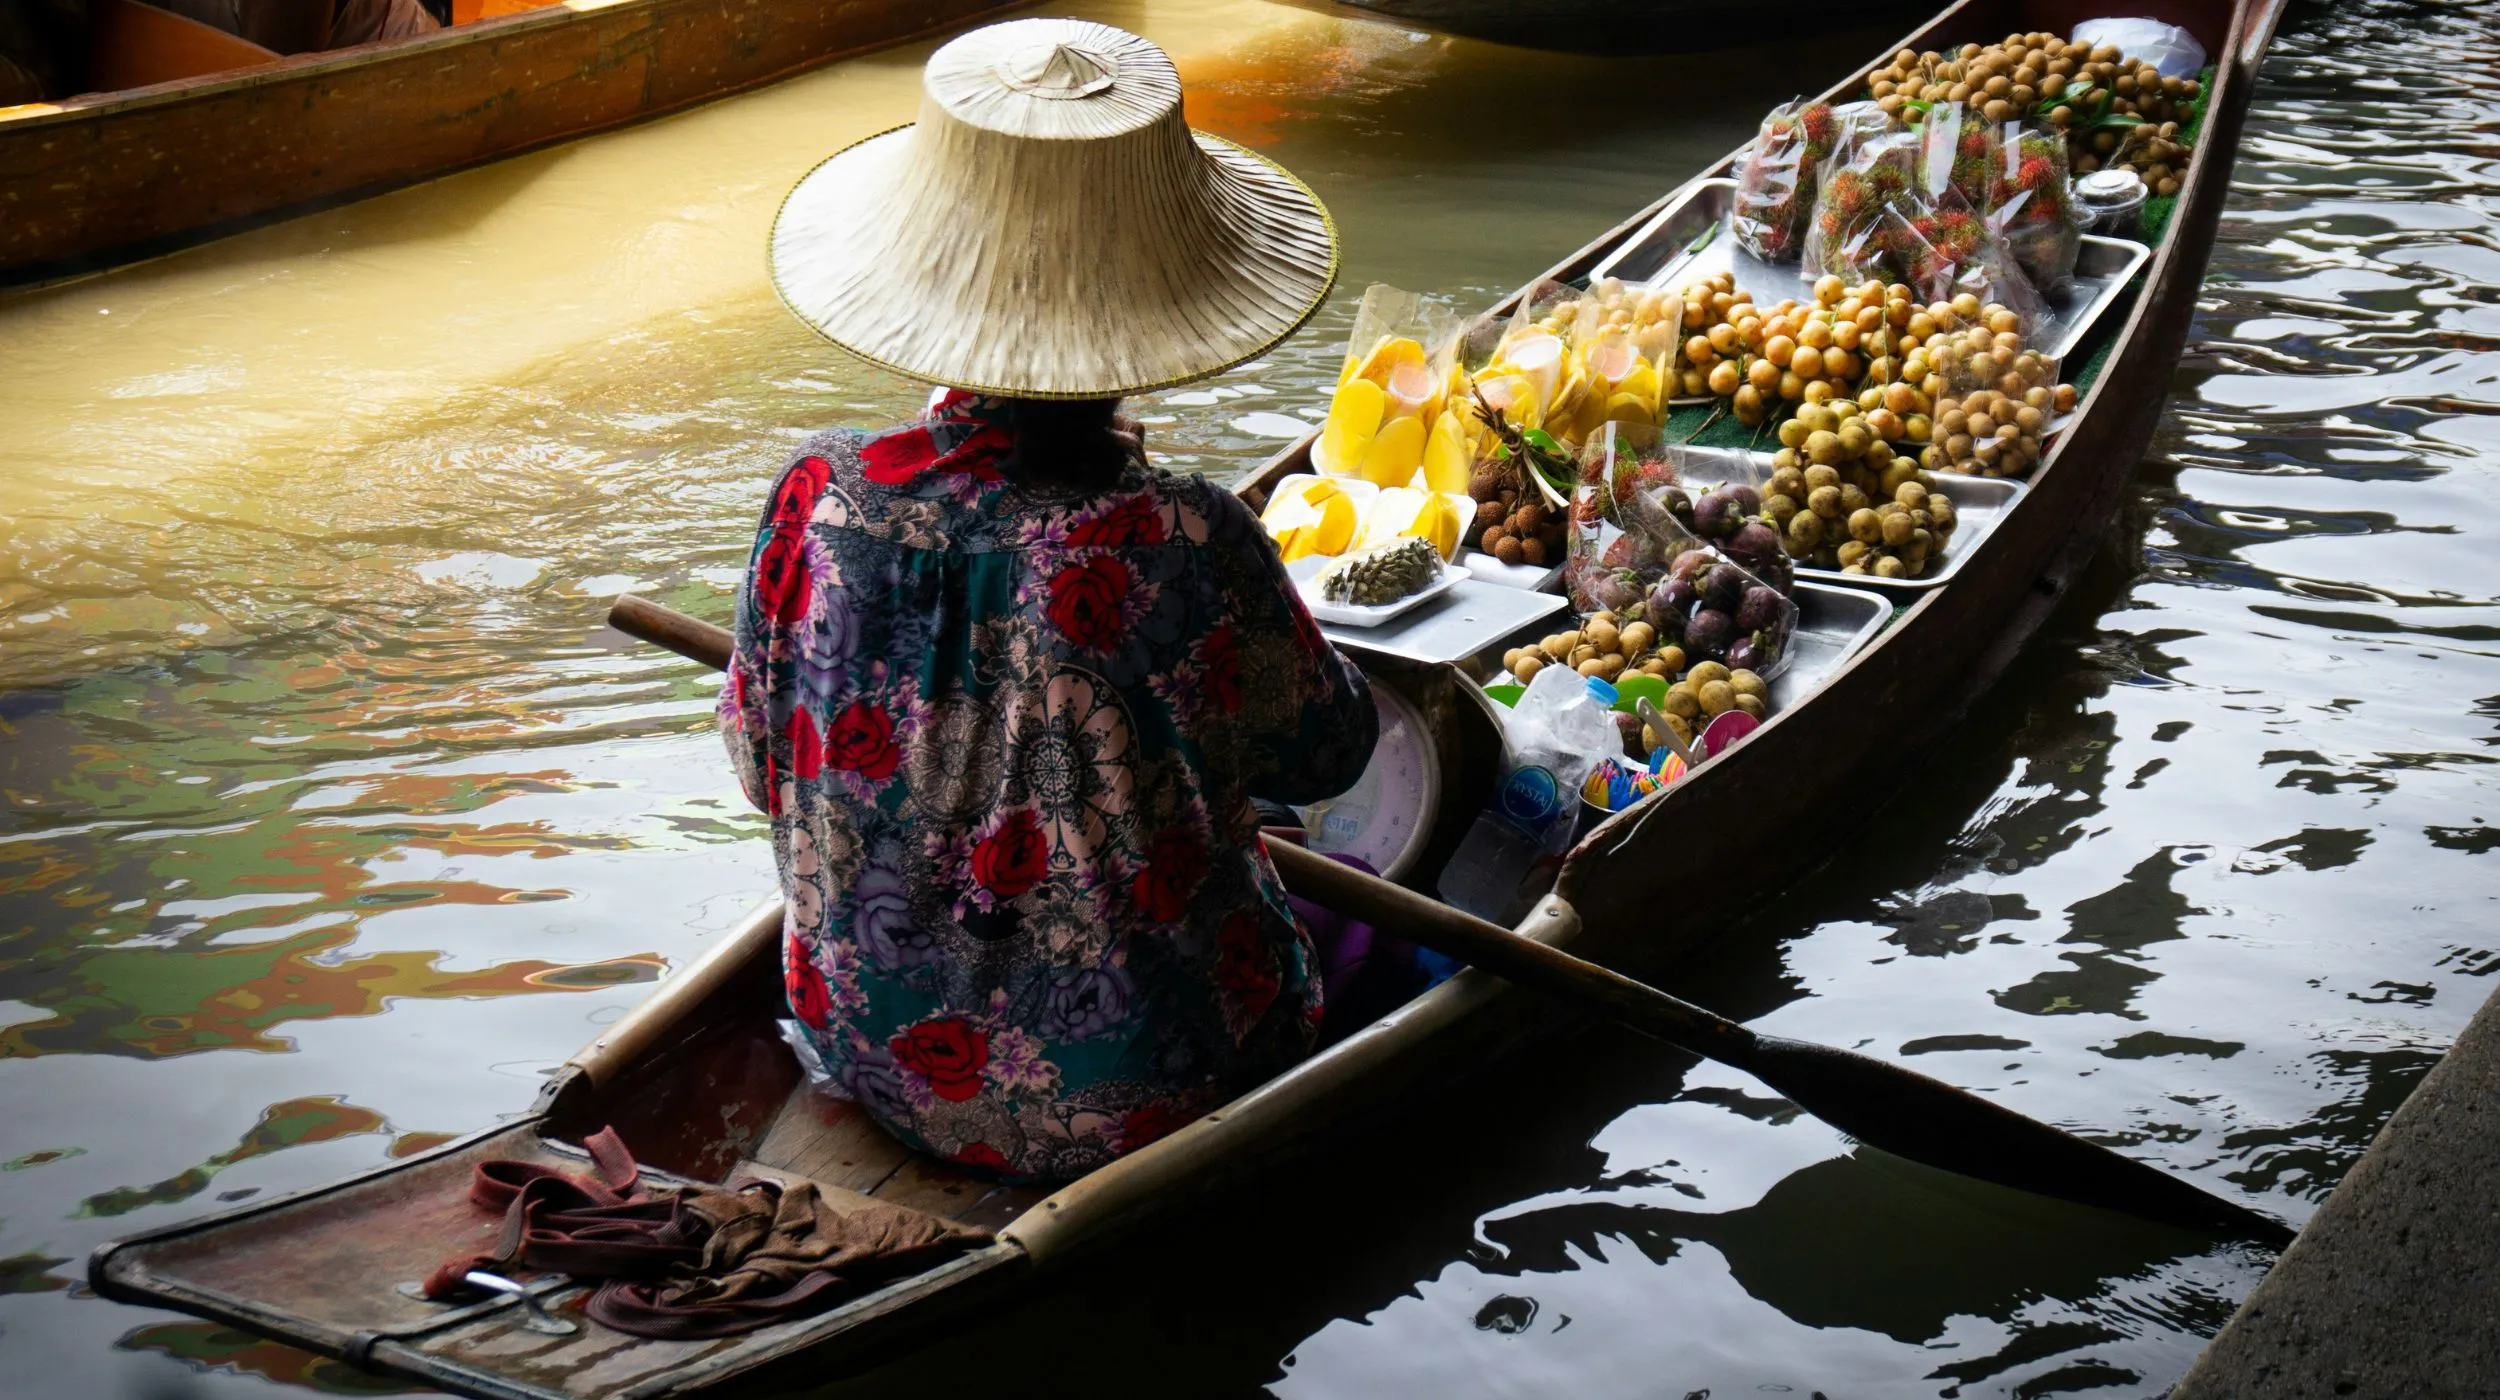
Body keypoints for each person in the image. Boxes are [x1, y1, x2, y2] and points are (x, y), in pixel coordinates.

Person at [719, 18, 1376, 1183]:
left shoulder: (816, 493)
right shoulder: (1182, 533)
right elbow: (1328, 754)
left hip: (866, 1045)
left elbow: (757, 760)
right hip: (1146, 1086)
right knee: (1361, 903)